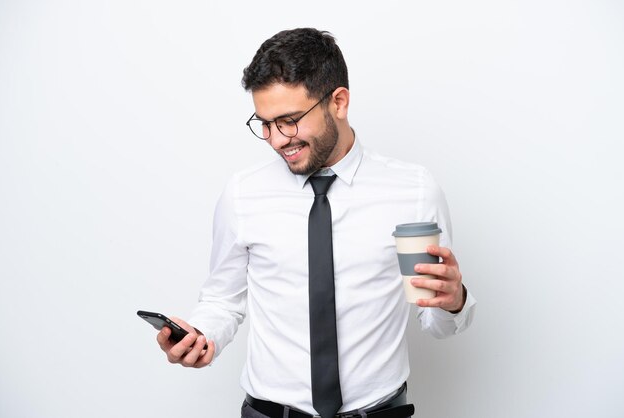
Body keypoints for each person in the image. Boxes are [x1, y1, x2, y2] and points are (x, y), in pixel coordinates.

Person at [156, 28, 476, 418]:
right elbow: (223, 299)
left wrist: (454, 302)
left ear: (338, 101)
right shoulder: (243, 193)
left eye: (289, 120)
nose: (276, 140)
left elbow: (436, 320)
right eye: (265, 123)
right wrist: (202, 336)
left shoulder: (412, 191)